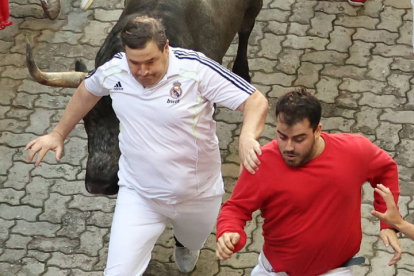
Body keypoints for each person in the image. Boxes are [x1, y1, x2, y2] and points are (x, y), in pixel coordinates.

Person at [25, 16, 268, 275]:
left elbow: (255, 101)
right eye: (135, 63)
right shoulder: (115, 69)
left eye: (150, 61)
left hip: (197, 194)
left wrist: (247, 136)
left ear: (166, 48)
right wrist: (58, 133)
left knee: (191, 241)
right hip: (139, 194)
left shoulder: (195, 69)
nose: (142, 72)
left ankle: (185, 244)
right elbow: (88, 90)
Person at [215, 89, 401, 276]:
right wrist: (229, 232)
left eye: (299, 139)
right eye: (282, 136)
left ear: (318, 130)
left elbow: (386, 171)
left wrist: (388, 223)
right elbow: (236, 208)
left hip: (335, 270)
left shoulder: (354, 151)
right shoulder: (261, 162)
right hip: (275, 271)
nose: (288, 147)